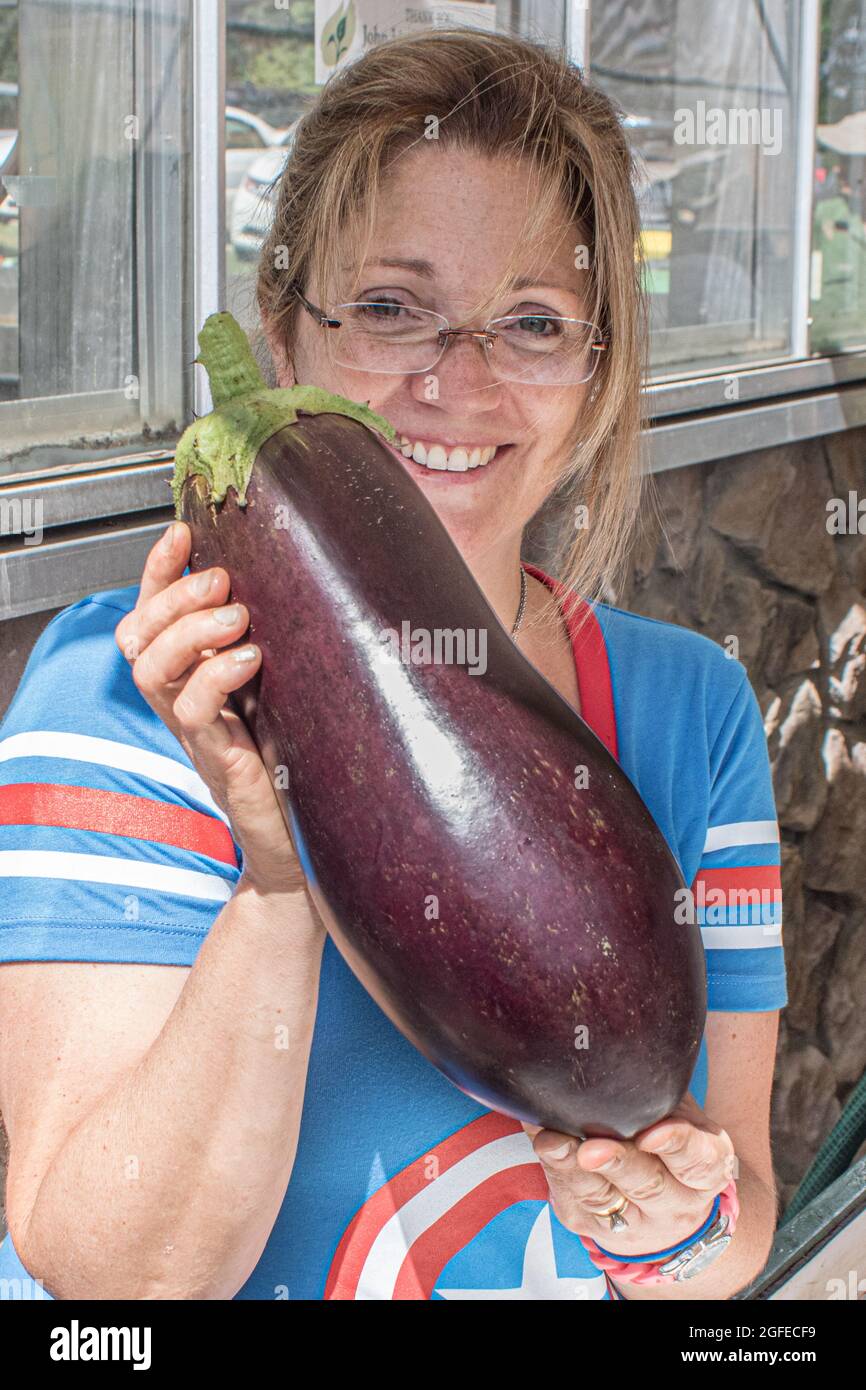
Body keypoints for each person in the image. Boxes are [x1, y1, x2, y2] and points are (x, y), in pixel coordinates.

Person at [0, 28, 785, 1301]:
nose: (453, 380)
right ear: (282, 336)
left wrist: (659, 1229)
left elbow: (730, 1224)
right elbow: (116, 1290)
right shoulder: (120, 694)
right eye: (387, 309)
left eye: (531, 322)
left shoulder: (687, 707)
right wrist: (272, 884)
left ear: (594, 376)